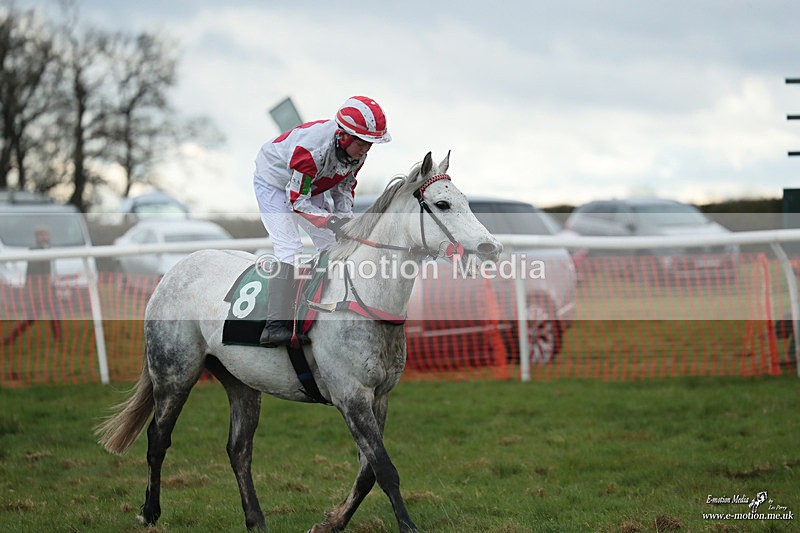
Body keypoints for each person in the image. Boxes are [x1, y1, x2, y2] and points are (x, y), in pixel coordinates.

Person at [253, 95, 392, 347]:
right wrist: (331, 221)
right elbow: (296, 202)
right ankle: (274, 326)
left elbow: (343, 189)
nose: (366, 149)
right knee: (290, 249)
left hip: (309, 186)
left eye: (371, 144)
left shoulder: (356, 153)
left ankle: (327, 308)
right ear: (344, 136)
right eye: (363, 142)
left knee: (333, 246)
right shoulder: (311, 151)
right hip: (273, 183)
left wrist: (346, 223)